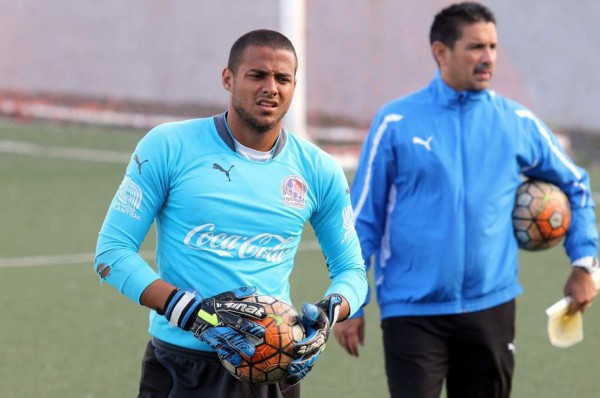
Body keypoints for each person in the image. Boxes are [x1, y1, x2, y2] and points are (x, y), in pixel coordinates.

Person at [333, 2, 599, 398]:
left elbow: (577, 185)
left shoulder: (517, 122)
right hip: (412, 311)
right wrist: (352, 303)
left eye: (492, 46)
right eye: (476, 47)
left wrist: (584, 264)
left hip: (491, 307)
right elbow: (362, 221)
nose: (488, 58)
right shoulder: (395, 122)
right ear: (441, 52)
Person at [94, 29, 368, 398]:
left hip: (275, 368)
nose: (270, 87)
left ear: (293, 85)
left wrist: (328, 313)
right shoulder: (168, 146)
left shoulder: (319, 169)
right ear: (228, 78)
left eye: (282, 78)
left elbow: (352, 271)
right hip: (182, 366)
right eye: (257, 75)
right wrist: (187, 310)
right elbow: (112, 252)